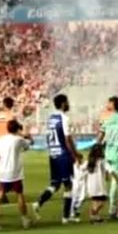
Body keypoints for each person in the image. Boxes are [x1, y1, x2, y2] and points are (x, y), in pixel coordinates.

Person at [32, 94, 81, 224]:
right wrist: (75, 154)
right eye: (67, 101)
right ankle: (66, 217)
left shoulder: (51, 118)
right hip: (63, 154)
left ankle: (38, 203)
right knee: (68, 185)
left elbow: (49, 137)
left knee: (55, 184)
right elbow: (67, 139)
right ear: (63, 103)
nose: (69, 104)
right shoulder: (64, 118)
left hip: (53, 154)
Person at [0, 120, 32, 230]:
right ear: (17, 129)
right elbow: (29, 144)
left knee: (0, 194)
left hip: (3, 171)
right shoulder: (19, 140)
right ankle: (24, 219)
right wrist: (28, 136)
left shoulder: (1, 140)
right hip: (15, 172)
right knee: (19, 194)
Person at [84, 143, 108, 224]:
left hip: (91, 185)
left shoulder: (89, 161)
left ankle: (96, 218)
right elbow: (109, 169)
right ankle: (93, 213)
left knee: (95, 202)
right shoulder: (101, 161)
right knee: (102, 202)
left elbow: (82, 169)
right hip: (99, 185)